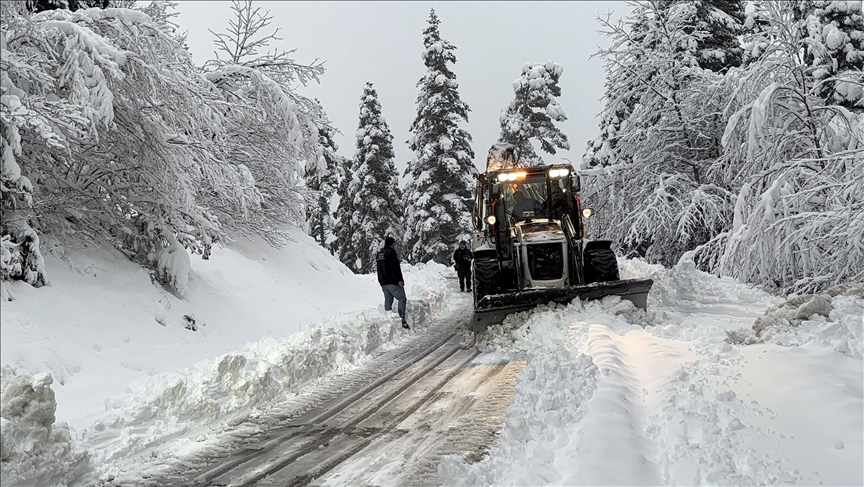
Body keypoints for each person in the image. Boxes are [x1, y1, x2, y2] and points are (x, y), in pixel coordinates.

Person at [376, 236, 409, 329]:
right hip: (392, 281)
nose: (395, 245)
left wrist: (381, 280)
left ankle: (388, 320)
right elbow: (395, 267)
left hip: (383, 281)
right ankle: (402, 318)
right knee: (402, 298)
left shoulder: (380, 254)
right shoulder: (391, 253)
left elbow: (379, 268)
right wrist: (399, 280)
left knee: (388, 299)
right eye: (394, 243)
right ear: (392, 244)